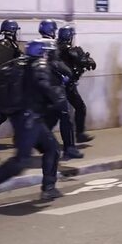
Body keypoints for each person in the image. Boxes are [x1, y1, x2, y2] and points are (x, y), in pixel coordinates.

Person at [0, 39, 64, 205]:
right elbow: (44, 85)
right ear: (43, 52)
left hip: (27, 117)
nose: (51, 54)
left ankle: (49, 188)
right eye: (49, 51)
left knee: (52, 148)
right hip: (29, 118)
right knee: (22, 160)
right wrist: (58, 98)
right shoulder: (40, 65)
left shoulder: (20, 64)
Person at [39, 20, 83, 159]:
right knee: (65, 117)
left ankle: (37, 140)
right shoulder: (51, 46)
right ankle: (69, 148)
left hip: (42, 88)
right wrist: (68, 74)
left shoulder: (36, 44)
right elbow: (57, 65)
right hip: (55, 88)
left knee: (50, 118)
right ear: (51, 31)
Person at [57, 25, 97, 143]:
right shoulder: (70, 50)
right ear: (69, 37)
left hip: (57, 85)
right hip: (67, 85)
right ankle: (78, 135)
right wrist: (88, 61)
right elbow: (83, 61)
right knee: (79, 108)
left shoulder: (55, 48)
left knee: (57, 114)